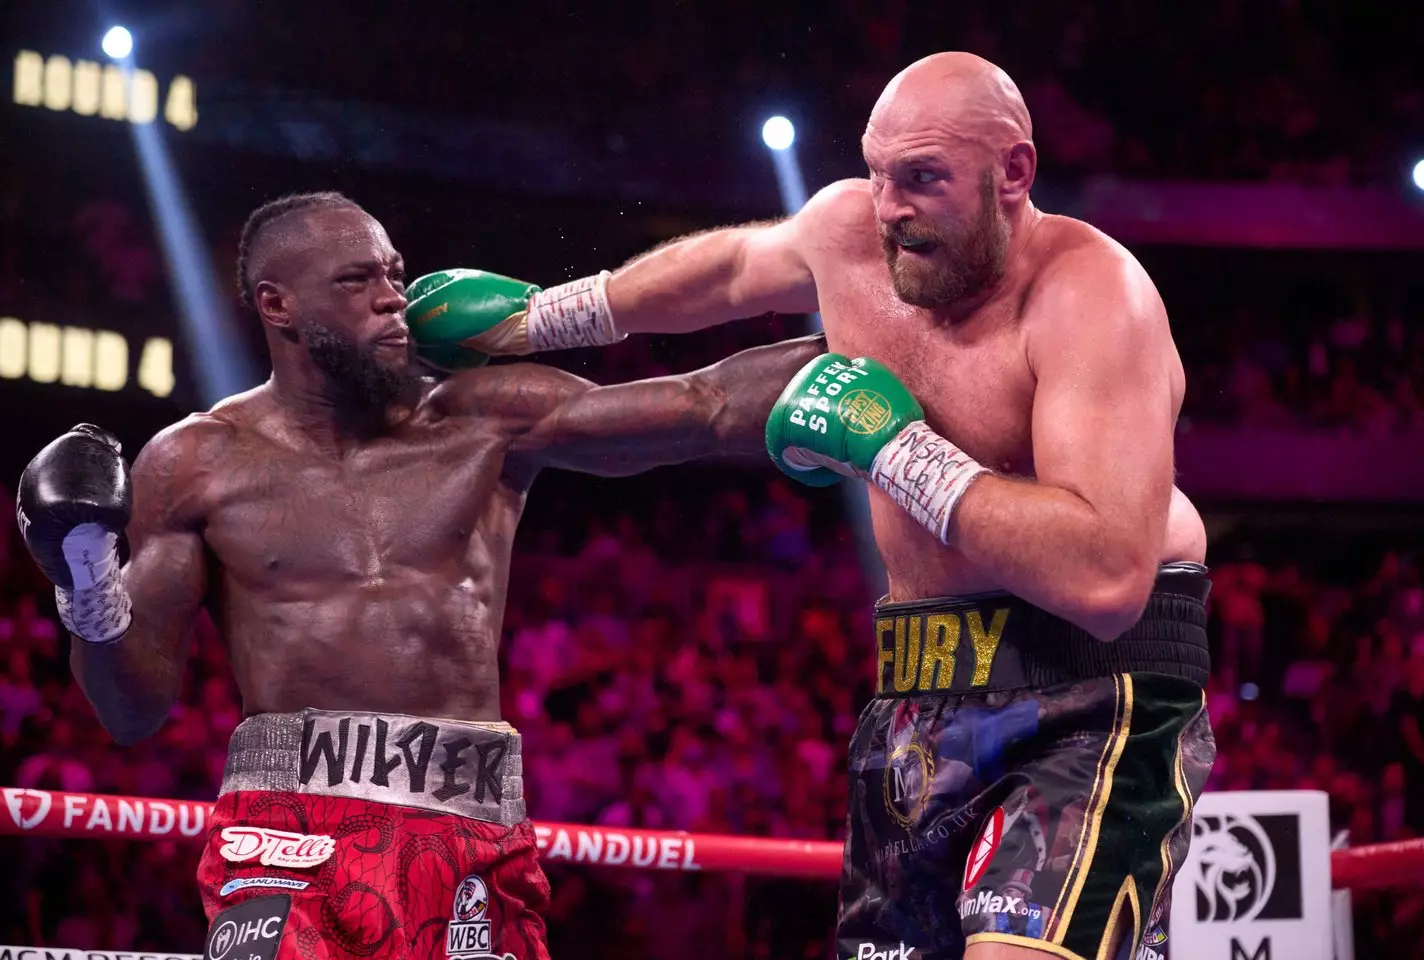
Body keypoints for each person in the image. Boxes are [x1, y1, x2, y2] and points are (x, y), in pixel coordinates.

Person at [438, 53, 1215, 960]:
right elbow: (729, 269)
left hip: (1095, 691)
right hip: (920, 692)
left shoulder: (1091, 297)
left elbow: (1109, 574)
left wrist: (897, 450)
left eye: (923, 178)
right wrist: (540, 317)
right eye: (879, 173)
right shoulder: (854, 227)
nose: (890, 207)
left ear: (1014, 173)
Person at [15, 191, 825, 960]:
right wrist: (86, 584)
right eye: (356, 280)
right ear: (277, 306)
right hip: (283, 838)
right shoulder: (195, 463)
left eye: (395, 275)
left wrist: (891, 329)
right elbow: (130, 710)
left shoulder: (483, 418)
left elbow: (705, 404)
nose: (392, 298)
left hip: (469, 832)